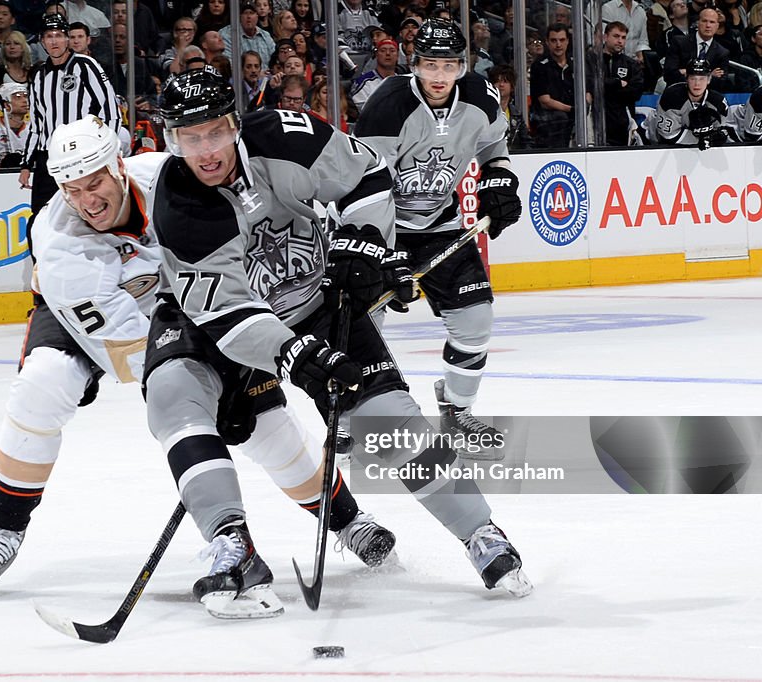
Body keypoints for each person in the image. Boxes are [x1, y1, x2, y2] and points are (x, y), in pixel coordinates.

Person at [146, 66, 532, 617]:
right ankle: (230, 542)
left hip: (318, 304)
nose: (206, 151)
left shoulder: (286, 137)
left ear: (235, 123)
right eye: (190, 137)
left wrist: (365, 241)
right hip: (224, 330)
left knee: (393, 422)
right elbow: (228, 315)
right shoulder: (178, 208)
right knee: (180, 406)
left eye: (215, 132)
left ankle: (480, 532)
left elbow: (370, 178)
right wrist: (294, 356)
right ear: (170, 138)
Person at [0, 114, 396, 600]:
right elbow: (126, 352)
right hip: (87, 325)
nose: (88, 201)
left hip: (201, 311)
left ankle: (348, 520)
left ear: (118, 166)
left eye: (96, 182)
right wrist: (218, 362)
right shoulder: (63, 248)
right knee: (45, 382)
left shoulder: (172, 176)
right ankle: (5, 527)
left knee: (267, 426)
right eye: (72, 190)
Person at [354, 20, 524, 459]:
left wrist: (498, 180)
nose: (438, 76)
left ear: (462, 66)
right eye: (430, 65)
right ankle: (354, 418)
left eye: (448, 66)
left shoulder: (482, 97)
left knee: (476, 321)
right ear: (415, 64)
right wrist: (381, 252)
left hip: (442, 225)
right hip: (380, 224)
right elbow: (363, 184)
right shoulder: (387, 107)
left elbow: (493, 146)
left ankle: (457, 411)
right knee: (362, 329)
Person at [21, 12, 120, 257]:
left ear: (67, 39)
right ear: (42, 42)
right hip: (49, 161)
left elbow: (110, 112)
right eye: (48, 36)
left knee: (89, 214)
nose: (53, 41)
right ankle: (43, 278)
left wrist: (109, 152)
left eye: (58, 35)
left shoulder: (86, 66)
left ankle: (99, 268)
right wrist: (26, 163)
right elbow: (36, 124)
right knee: (40, 220)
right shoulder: (38, 76)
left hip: (84, 157)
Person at [654, 57, 730, 149]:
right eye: (693, 78)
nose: (697, 84)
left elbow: (722, 131)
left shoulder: (719, 102)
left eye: (702, 79)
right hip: (654, 140)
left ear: (709, 79)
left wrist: (716, 137)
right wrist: (701, 140)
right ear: (686, 78)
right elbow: (668, 136)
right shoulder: (672, 98)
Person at [589, 21, 644, 147]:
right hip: (596, 120)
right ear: (605, 37)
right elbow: (591, 84)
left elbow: (636, 92)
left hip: (621, 123)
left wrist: (606, 87)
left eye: (623, 37)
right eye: (616, 36)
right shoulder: (592, 59)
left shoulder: (631, 64)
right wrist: (618, 83)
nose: (620, 41)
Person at [528, 22, 576, 148]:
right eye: (554, 40)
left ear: (568, 41)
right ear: (547, 42)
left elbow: (588, 89)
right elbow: (545, 101)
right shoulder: (540, 66)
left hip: (573, 119)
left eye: (562, 40)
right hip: (548, 123)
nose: (558, 45)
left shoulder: (576, 64)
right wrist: (572, 110)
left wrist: (584, 107)